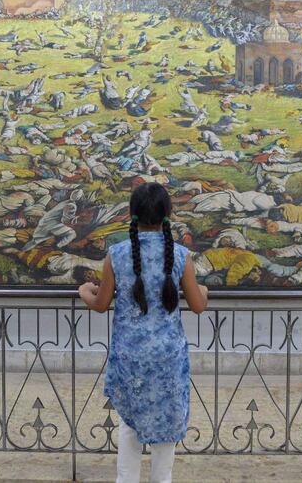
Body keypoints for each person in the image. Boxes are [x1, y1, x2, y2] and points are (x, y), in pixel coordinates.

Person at [77, 182, 208, 483]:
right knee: (166, 429)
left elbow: (100, 303)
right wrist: (202, 289)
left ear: (132, 214)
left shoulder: (117, 254)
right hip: (167, 357)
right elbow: (198, 305)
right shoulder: (180, 255)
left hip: (130, 357)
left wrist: (85, 290)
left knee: (129, 425)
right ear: (167, 214)